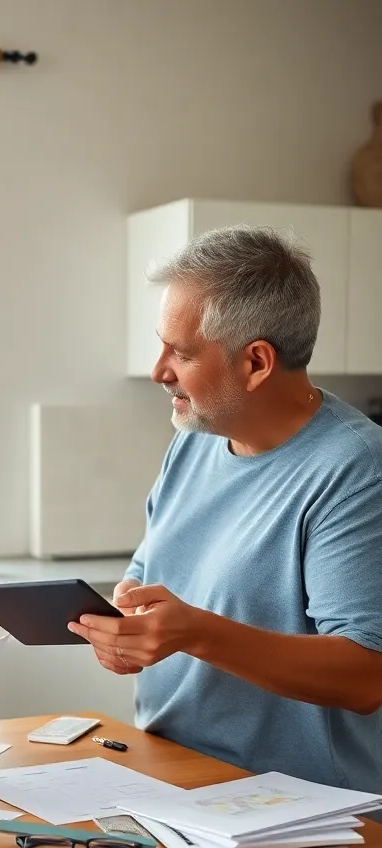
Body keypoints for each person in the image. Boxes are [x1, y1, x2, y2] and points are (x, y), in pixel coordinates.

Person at [69, 226, 382, 794]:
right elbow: (153, 566)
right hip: (174, 777)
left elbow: (366, 674)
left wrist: (196, 634)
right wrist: (129, 615)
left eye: (181, 353)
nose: (158, 369)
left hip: (301, 811)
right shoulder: (197, 437)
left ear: (256, 362)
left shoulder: (356, 470)